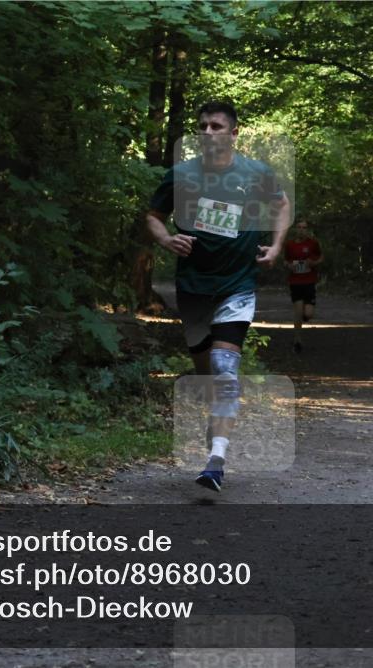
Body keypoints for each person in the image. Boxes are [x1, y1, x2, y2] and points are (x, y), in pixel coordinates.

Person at [144, 101, 291, 491]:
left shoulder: (256, 173)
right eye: (203, 126)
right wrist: (166, 239)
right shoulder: (181, 174)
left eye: (216, 126)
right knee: (207, 375)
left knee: (225, 369)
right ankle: (218, 428)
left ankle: (216, 461)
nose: (207, 132)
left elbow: (281, 205)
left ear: (234, 133)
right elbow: (153, 217)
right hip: (193, 287)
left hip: (237, 285)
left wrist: (276, 246)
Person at [284, 219, 324, 353]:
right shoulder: (290, 245)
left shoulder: (313, 243)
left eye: (304, 227)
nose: (301, 230)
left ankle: (305, 317)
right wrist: (289, 265)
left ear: (307, 230)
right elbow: (286, 261)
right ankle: (297, 341)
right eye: (299, 227)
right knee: (298, 312)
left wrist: (313, 263)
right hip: (295, 282)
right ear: (295, 229)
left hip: (309, 281)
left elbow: (321, 257)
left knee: (308, 314)